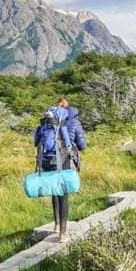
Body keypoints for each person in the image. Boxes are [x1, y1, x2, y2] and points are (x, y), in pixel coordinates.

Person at [34, 97, 86, 241]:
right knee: (64, 194)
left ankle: (56, 225)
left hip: (47, 157)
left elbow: (36, 141)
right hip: (62, 157)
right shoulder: (72, 121)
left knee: (54, 190)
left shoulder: (47, 120)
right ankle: (63, 233)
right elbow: (80, 143)